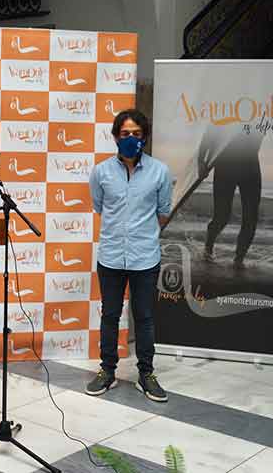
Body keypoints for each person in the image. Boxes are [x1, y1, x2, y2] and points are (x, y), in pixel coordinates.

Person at [87, 109, 172, 403]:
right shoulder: (101, 172)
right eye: (125, 134)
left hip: (145, 256)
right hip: (110, 256)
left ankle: (146, 374)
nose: (131, 139)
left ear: (144, 137)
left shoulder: (160, 171)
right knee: (109, 315)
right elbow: (99, 207)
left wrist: (141, 234)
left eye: (136, 134)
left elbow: (163, 212)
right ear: (115, 137)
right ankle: (107, 370)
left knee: (145, 317)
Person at [198, 123, 273, 268]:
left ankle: (238, 260)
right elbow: (212, 129)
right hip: (226, 164)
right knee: (221, 217)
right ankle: (208, 248)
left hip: (250, 166)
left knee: (251, 218)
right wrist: (201, 160)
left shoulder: (269, 111)